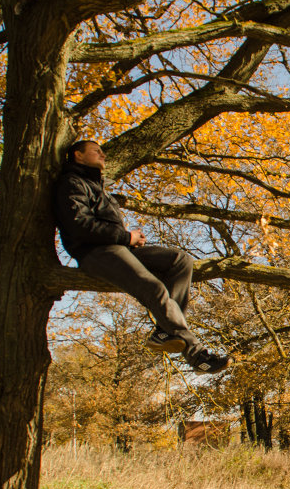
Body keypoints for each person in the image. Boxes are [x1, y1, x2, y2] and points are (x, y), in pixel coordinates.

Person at [53, 139, 230, 374]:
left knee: (181, 260)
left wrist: (130, 240)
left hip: (121, 248)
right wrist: (126, 237)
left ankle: (164, 332)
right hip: (94, 252)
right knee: (153, 287)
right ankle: (197, 356)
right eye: (96, 151)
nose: (103, 155)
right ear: (78, 155)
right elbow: (80, 226)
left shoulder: (97, 186)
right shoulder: (71, 182)